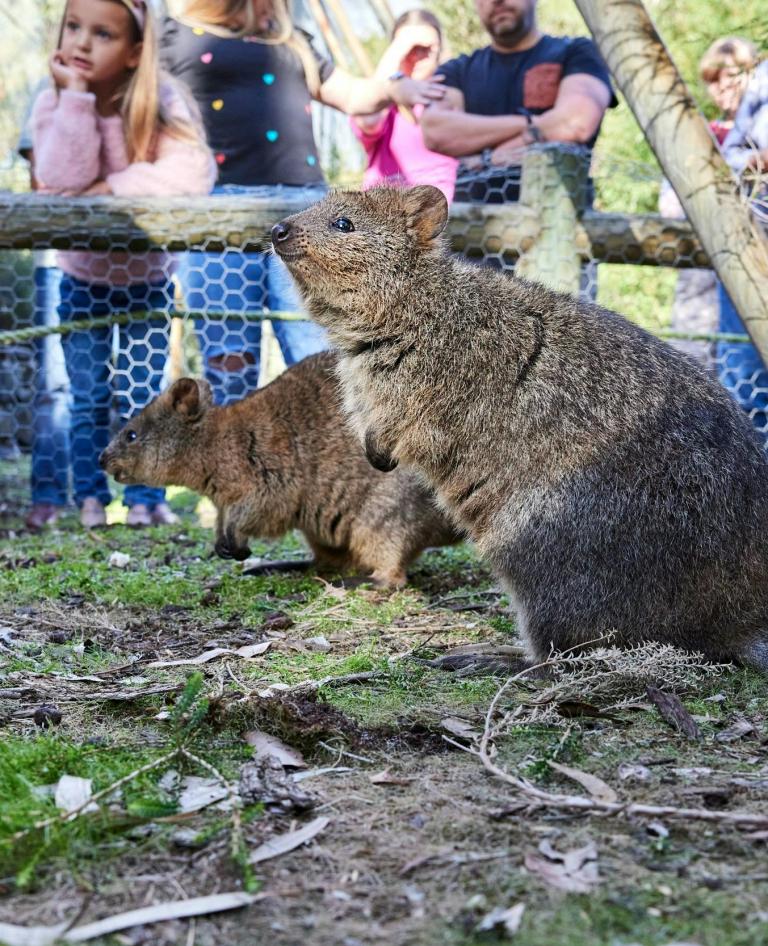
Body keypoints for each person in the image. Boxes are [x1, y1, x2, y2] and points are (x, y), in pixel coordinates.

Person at [160, 0, 446, 405]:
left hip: (306, 213)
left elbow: (355, 95)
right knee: (229, 370)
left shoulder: (292, 39)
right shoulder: (173, 34)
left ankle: (339, 467)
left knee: (321, 364)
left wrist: (394, 84)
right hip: (217, 210)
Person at [29, 0, 216, 528]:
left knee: (141, 398)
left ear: (136, 52)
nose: (82, 43)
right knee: (87, 397)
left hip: (147, 283)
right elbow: (62, 185)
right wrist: (77, 101)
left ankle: (142, 499)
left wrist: (110, 187)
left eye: (102, 34)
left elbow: (191, 173)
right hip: (81, 280)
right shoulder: (53, 104)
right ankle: (89, 498)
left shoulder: (163, 101)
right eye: (73, 27)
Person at [420, 0, 617, 205]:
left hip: (559, 223)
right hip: (474, 226)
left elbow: (576, 122)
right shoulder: (456, 71)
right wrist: (536, 126)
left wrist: (488, 158)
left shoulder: (577, 52)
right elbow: (436, 132)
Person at [659, 36, 759, 366]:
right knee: (693, 355)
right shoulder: (700, 134)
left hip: (753, 261)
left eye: (731, 75)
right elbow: (671, 203)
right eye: (713, 79)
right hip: (699, 265)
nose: (722, 86)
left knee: (745, 352)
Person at [17, 79, 71, 530]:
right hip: (56, 261)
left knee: (120, 384)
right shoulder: (46, 93)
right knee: (54, 385)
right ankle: (48, 496)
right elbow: (43, 181)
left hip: (129, 266)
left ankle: (125, 497)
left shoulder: (150, 90)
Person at [350, 9, 457, 202]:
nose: (417, 56)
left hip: (444, 220)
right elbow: (367, 119)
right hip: (383, 220)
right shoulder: (382, 106)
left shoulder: (454, 98)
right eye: (410, 48)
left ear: (439, 50)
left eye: (426, 48)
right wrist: (401, 46)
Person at [717, 50, 768, 444]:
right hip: (754, 239)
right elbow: (729, 154)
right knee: (742, 374)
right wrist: (756, 159)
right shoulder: (763, 80)